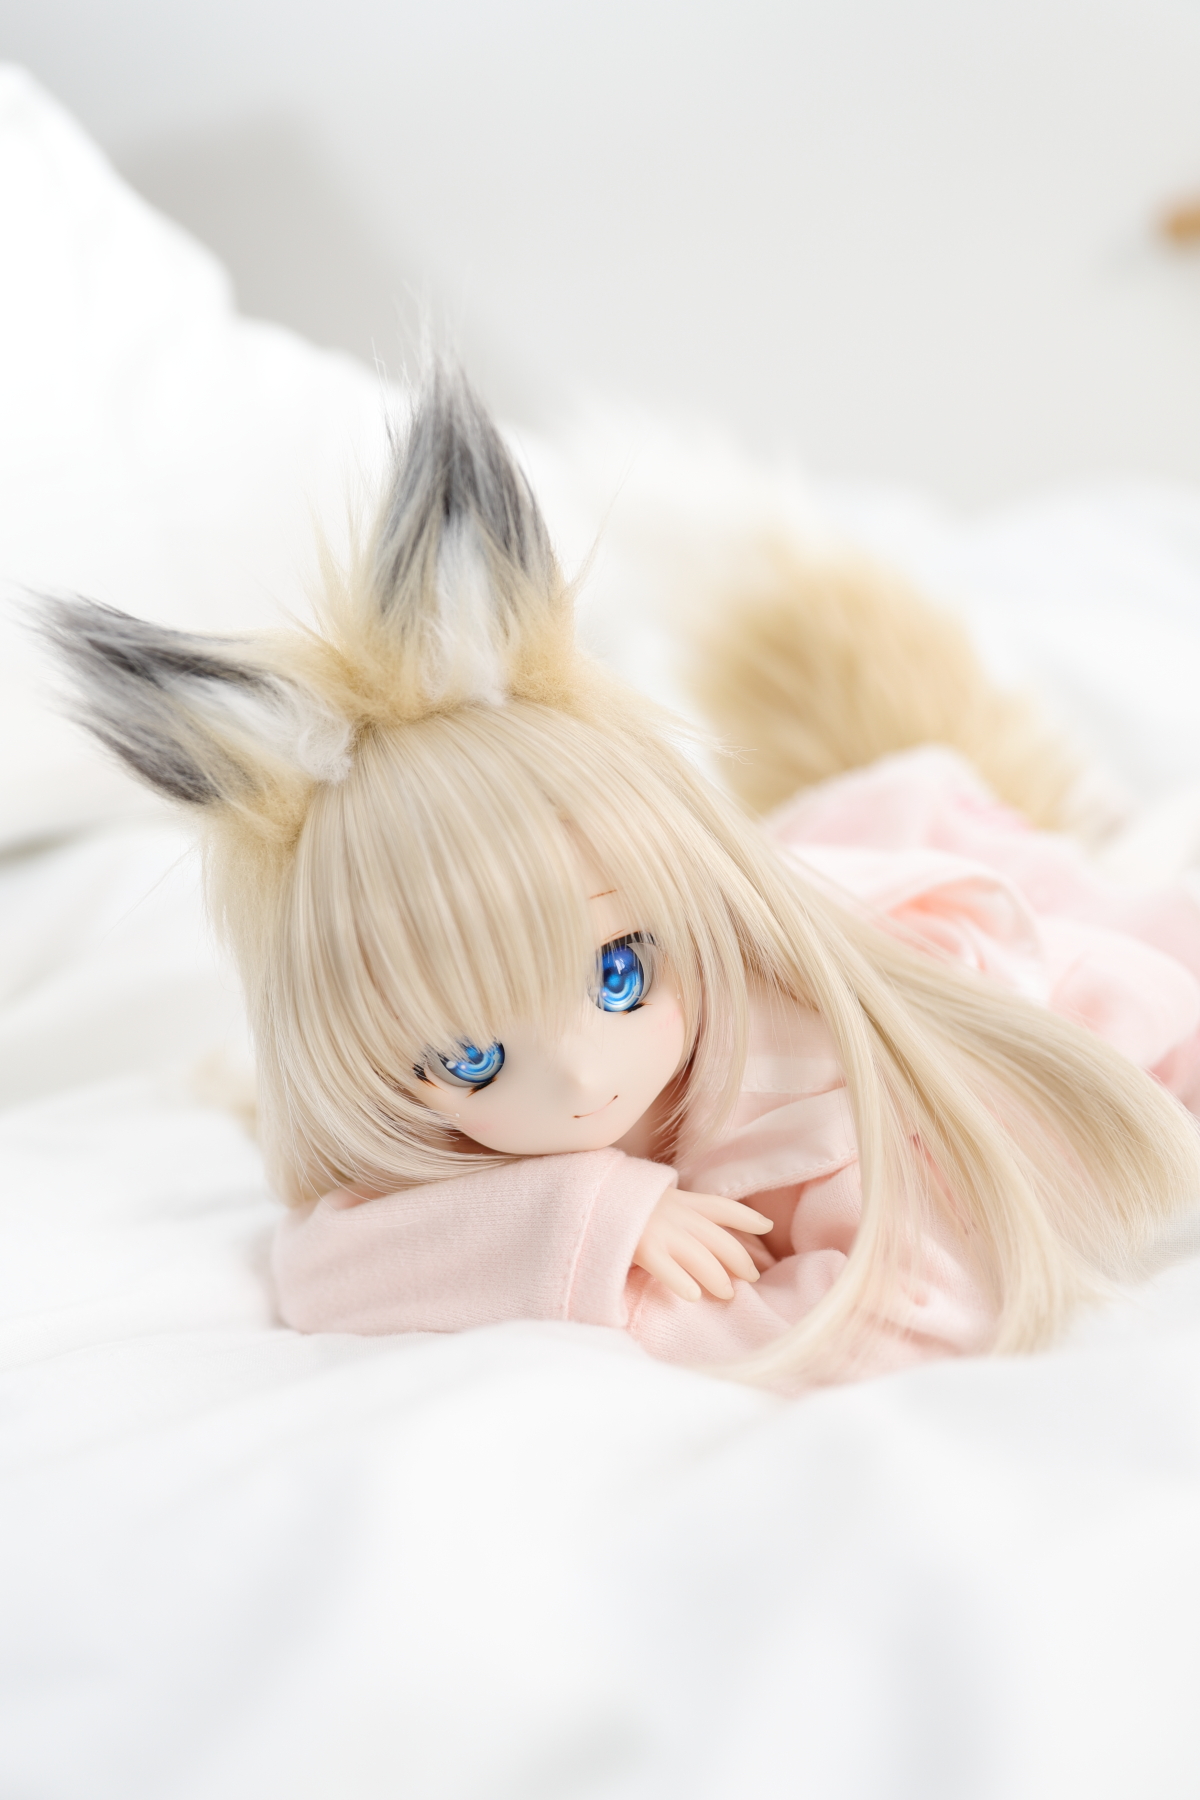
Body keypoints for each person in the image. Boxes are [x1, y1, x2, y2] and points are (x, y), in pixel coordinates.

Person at [43, 368, 1200, 1390]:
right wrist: (592, 1223)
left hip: (968, 931)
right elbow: (325, 1265)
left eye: (619, 975)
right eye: (470, 1058)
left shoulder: (819, 1089)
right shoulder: (426, 1111)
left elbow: (907, 1317)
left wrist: (641, 1307)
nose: (586, 1082)